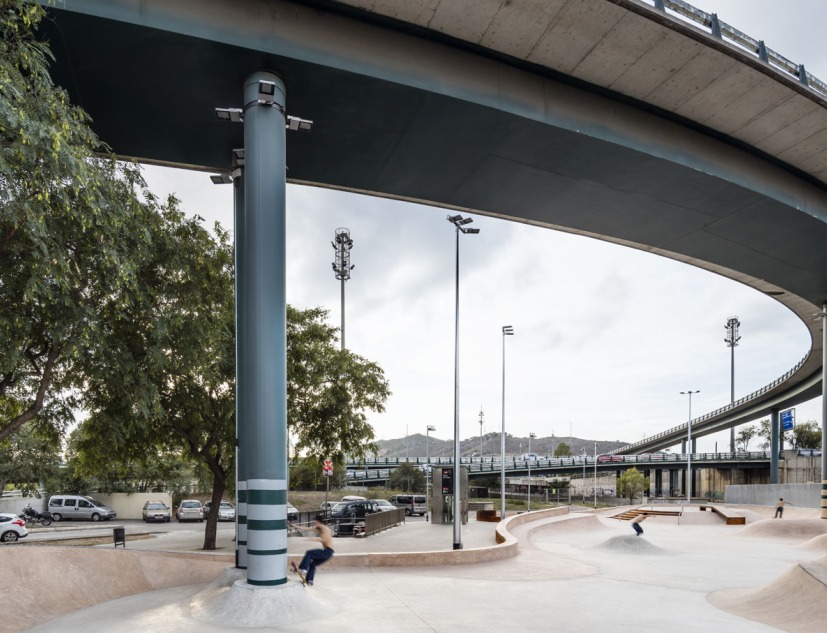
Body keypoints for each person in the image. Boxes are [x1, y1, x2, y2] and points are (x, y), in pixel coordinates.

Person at [292, 516, 334, 586]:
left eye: (316, 523)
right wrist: (294, 526)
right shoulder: (319, 529)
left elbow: (325, 539)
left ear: (319, 522)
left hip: (327, 551)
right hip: (328, 553)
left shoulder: (325, 529)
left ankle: (303, 569)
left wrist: (313, 539)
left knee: (309, 553)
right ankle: (310, 581)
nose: (315, 524)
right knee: (313, 564)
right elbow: (307, 528)